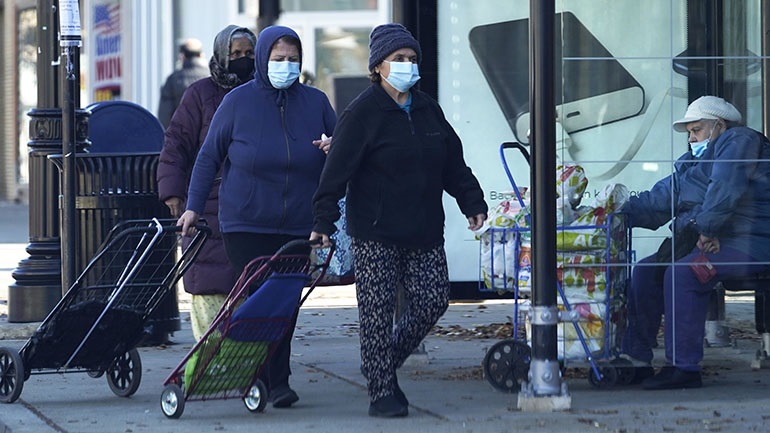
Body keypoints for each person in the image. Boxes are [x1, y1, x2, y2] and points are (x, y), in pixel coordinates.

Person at [309, 23, 487, 418]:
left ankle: (380, 364)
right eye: (399, 60)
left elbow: (453, 163)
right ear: (378, 67)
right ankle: (382, 391)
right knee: (376, 311)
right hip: (375, 231)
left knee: (433, 300)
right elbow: (335, 173)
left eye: (412, 59)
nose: (408, 66)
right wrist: (322, 222)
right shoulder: (362, 113)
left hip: (423, 227)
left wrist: (471, 201)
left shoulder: (427, 109)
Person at [177, 25, 335, 408]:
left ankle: (275, 379)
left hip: (298, 222)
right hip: (245, 223)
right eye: (278, 59)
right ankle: (262, 376)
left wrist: (334, 148)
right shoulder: (237, 102)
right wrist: (193, 207)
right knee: (260, 298)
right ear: (264, 59)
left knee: (286, 302)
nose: (285, 66)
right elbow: (208, 156)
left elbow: (345, 154)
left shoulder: (315, 103)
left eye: (292, 60)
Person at [619, 95, 770, 390]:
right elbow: (664, 197)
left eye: (696, 130)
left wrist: (707, 228)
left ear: (719, 126)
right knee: (647, 270)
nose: (691, 138)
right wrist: (616, 213)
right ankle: (636, 359)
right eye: (689, 132)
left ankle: (683, 368)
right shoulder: (694, 163)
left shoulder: (738, 140)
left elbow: (725, 187)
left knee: (683, 274)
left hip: (753, 241)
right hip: (721, 240)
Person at [157, 25, 257, 341]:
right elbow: (176, 142)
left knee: (249, 283)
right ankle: (209, 361)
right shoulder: (200, 94)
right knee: (210, 282)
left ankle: (245, 361)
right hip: (208, 202)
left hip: (252, 201)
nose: (242, 59)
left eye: (248, 54)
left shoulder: (264, 93)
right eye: (236, 54)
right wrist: (172, 192)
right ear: (220, 55)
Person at [157, 38, 210, 129]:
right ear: (201, 55)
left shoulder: (173, 80)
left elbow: (165, 115)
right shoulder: (211, 77)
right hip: (208, 136)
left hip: (183, 136)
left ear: (182, 56)